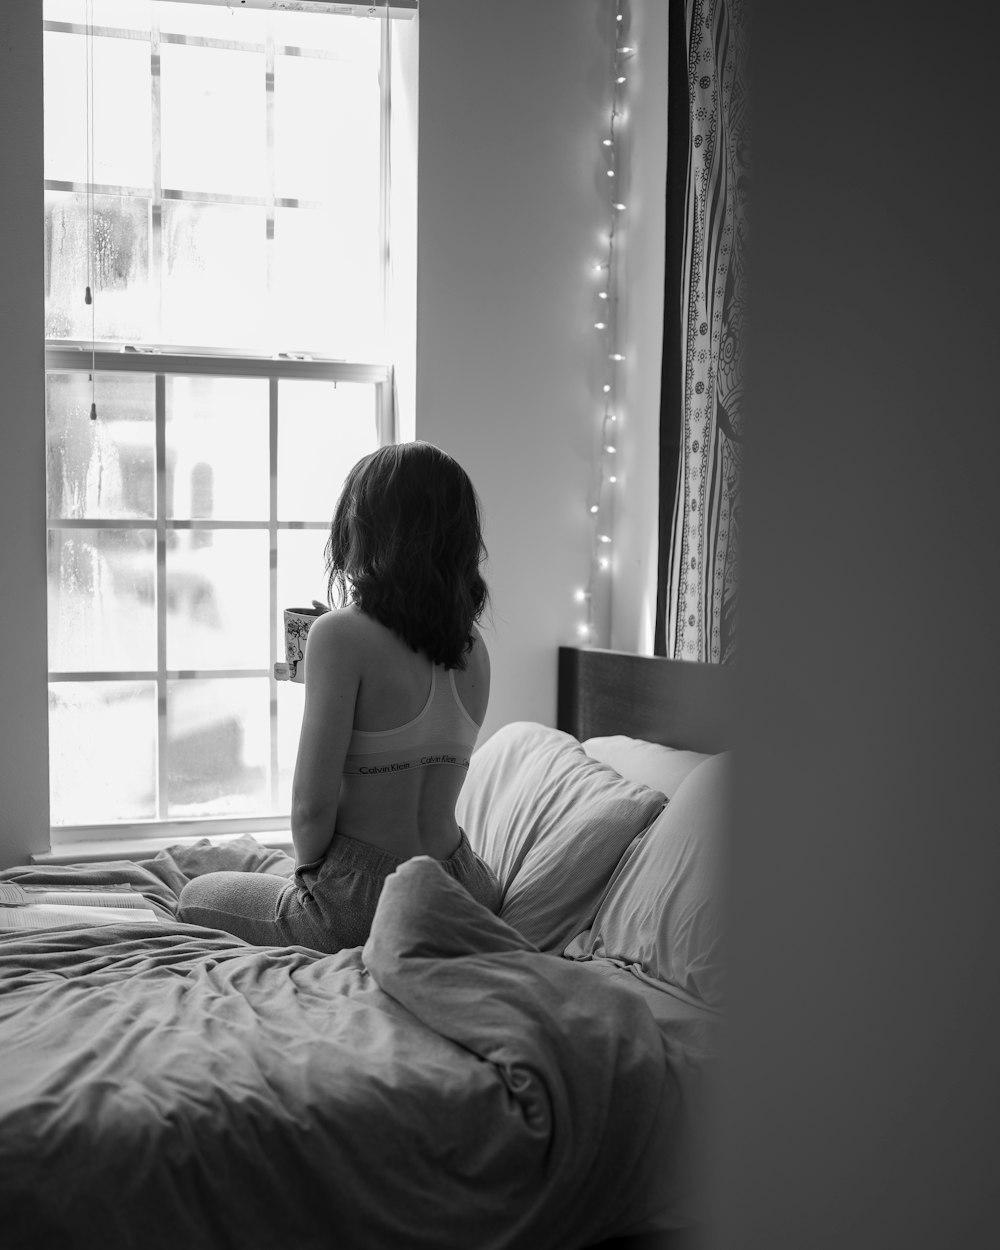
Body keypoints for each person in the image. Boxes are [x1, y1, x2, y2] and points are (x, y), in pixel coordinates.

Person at [178, 442, 501, 951]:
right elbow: (413, 726)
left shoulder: (339, 636)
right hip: (463, 889)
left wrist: (310, 885)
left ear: (366, 527)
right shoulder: (473, 645)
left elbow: (310, 811)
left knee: (196, 893)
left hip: (366, 902)